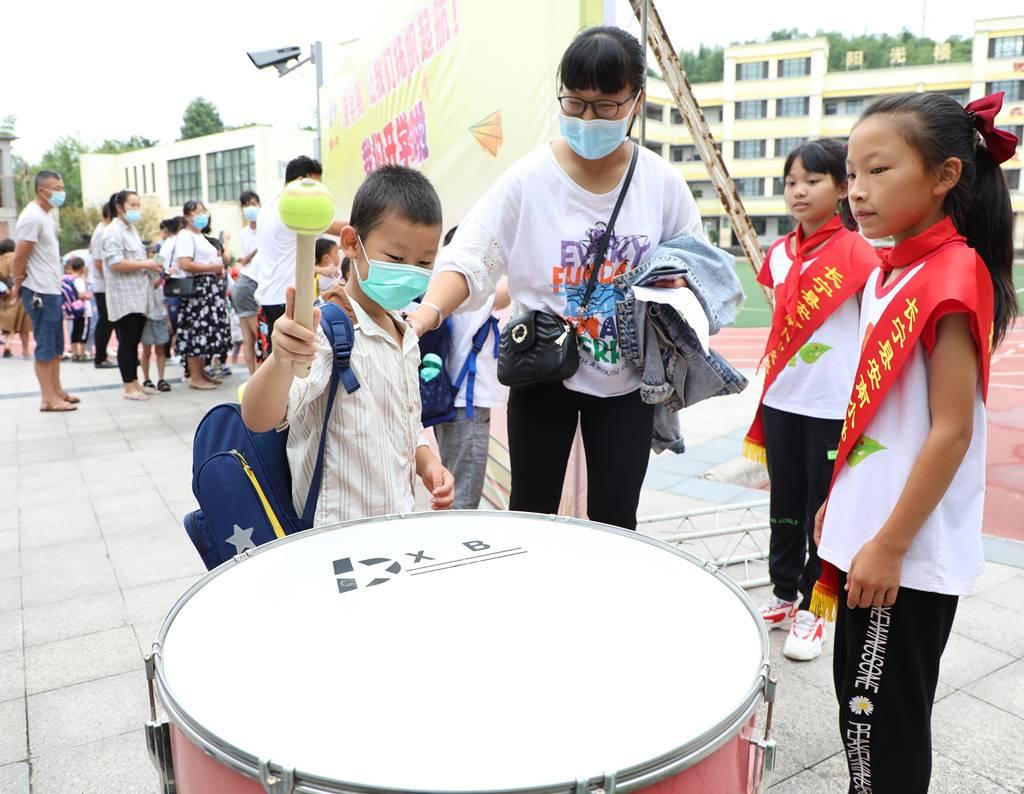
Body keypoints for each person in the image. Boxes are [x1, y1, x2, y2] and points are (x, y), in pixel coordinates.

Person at [408, 26, 699, 530]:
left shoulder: (661, 183)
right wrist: (427, 313)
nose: (588, 118)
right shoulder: (529, 178)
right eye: (575, 103)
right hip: (543, 372)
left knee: (615, 518)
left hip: (628, 381)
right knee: (532, 510)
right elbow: (471, 255)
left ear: (636, 100)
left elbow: (695, 267)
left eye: (606, 105)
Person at [811, 92, 1018, 793]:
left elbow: (952, 429)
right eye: (851, 172)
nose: (856, 190)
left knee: (880, 730)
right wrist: (842, 511)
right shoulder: (893, 267)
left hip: (905, 555)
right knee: (859, 717)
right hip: (872, 538)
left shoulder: (953, 275)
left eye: (878, 170)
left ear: (944, 177)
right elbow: (881, 418)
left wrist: (891, 542)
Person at [241, 164, 455, 524]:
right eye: (396, 258)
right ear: (352, 244)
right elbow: (259, 417)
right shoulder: (327, 329)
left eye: (424, 262)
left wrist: (428, 463)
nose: (410, 271)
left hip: (395, 526)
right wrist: (280, 360)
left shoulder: (406, 334)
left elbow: (401, 421)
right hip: (335, 538)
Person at [742, 139, 879, 662]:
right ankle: (782, 593)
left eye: (813, 180)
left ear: (842, 188)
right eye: (790, 182)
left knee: (822, 510)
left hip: (831, 406)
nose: (799, 191)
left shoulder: (860, 253)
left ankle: (811, 609)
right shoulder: (779, 254)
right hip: (783, 400)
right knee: (784, 503)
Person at [431, 226, 511, 509]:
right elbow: (512, 289)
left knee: (452, 486)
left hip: (449, 401)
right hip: (468, 406)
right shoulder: (468, 293)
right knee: (462, 498)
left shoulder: (442, 292)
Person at [252, 156, 346, 351]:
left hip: (268, 295)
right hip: (288, 298)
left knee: (276, 358)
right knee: (294, 361)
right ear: (303, 180)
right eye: (315, 184)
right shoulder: (294, 211)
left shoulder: (268, 208)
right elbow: (339, 228)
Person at [12, 170, 79, 411]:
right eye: (56, 188)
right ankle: (47, 398)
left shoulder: (46, 216)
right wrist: (18, 282)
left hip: (51, 289)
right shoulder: (32, 217)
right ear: (42, 191)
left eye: (62, 187)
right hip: (39, 290)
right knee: (45, 344)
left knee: (55, 345)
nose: (61, 192)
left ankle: (57, 390)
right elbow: (20, 256)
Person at [102, 189, 164, 400]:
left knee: (134, 340)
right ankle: (128, 386)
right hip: (124, 296)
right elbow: (115, 262)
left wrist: (151, 266)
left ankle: (135, 382)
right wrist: (145, 263)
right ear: (119, 207)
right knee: (126, 341)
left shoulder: (131, 230)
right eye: (133, 205)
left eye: (138, 205)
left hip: (139, 295)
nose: (137, 210)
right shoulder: (112, 232)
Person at [173, 201, 230, 390]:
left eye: (204, 211)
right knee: (195, 331)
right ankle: (195, 376)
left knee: (206, 332)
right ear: (187, 216)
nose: (202, 215)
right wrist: (212, 268)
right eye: (197, 211)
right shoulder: (185, 235)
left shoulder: (201, 236)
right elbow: (185, 264)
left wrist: (216, 270)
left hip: (209, 289)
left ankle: (202, 373)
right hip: (197, 290)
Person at [234, 190, 261, 373]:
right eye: (246, 205)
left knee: (249, 339)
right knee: (260, 337)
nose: (250, 208)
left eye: (253, 203)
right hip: (248, 284)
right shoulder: (244, 233)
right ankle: (258, 381)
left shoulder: (264, 226)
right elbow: (245, 259)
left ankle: (253, 380)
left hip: (244, 284)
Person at [140, 230, 171, 393]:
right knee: (146, 350)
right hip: (146, 314)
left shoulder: (159, 272)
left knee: (160, 348)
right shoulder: (143, 273)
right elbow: (153, 286)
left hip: (160, 313)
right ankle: (146, 379)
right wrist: (163, 276)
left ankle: (161, 378)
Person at [90, 200, 117, 369]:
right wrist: (110, 280)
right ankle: (100, 357)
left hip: (106, 284)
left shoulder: (104, 230)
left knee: (109, 321)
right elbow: (98, 261)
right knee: (105, 321)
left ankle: (102, 355)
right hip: (104, 286)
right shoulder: (102, 232)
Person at [0, 238, 31, 359]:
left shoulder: (1, 259)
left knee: (8, 323)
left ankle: (8, 345)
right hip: (19, 293)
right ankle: (26, 350)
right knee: (23, 325)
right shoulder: (16, 257)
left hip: (4, 295)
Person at [62, 256, 93, 361]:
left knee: (75, 330)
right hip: (83, 310)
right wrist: (89, 296)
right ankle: (82, 352)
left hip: (73, 309)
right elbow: (81, 294)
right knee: (83, 331)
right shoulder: (79, 280)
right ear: (82, 268)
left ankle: (75, 352)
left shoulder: (68, 278)